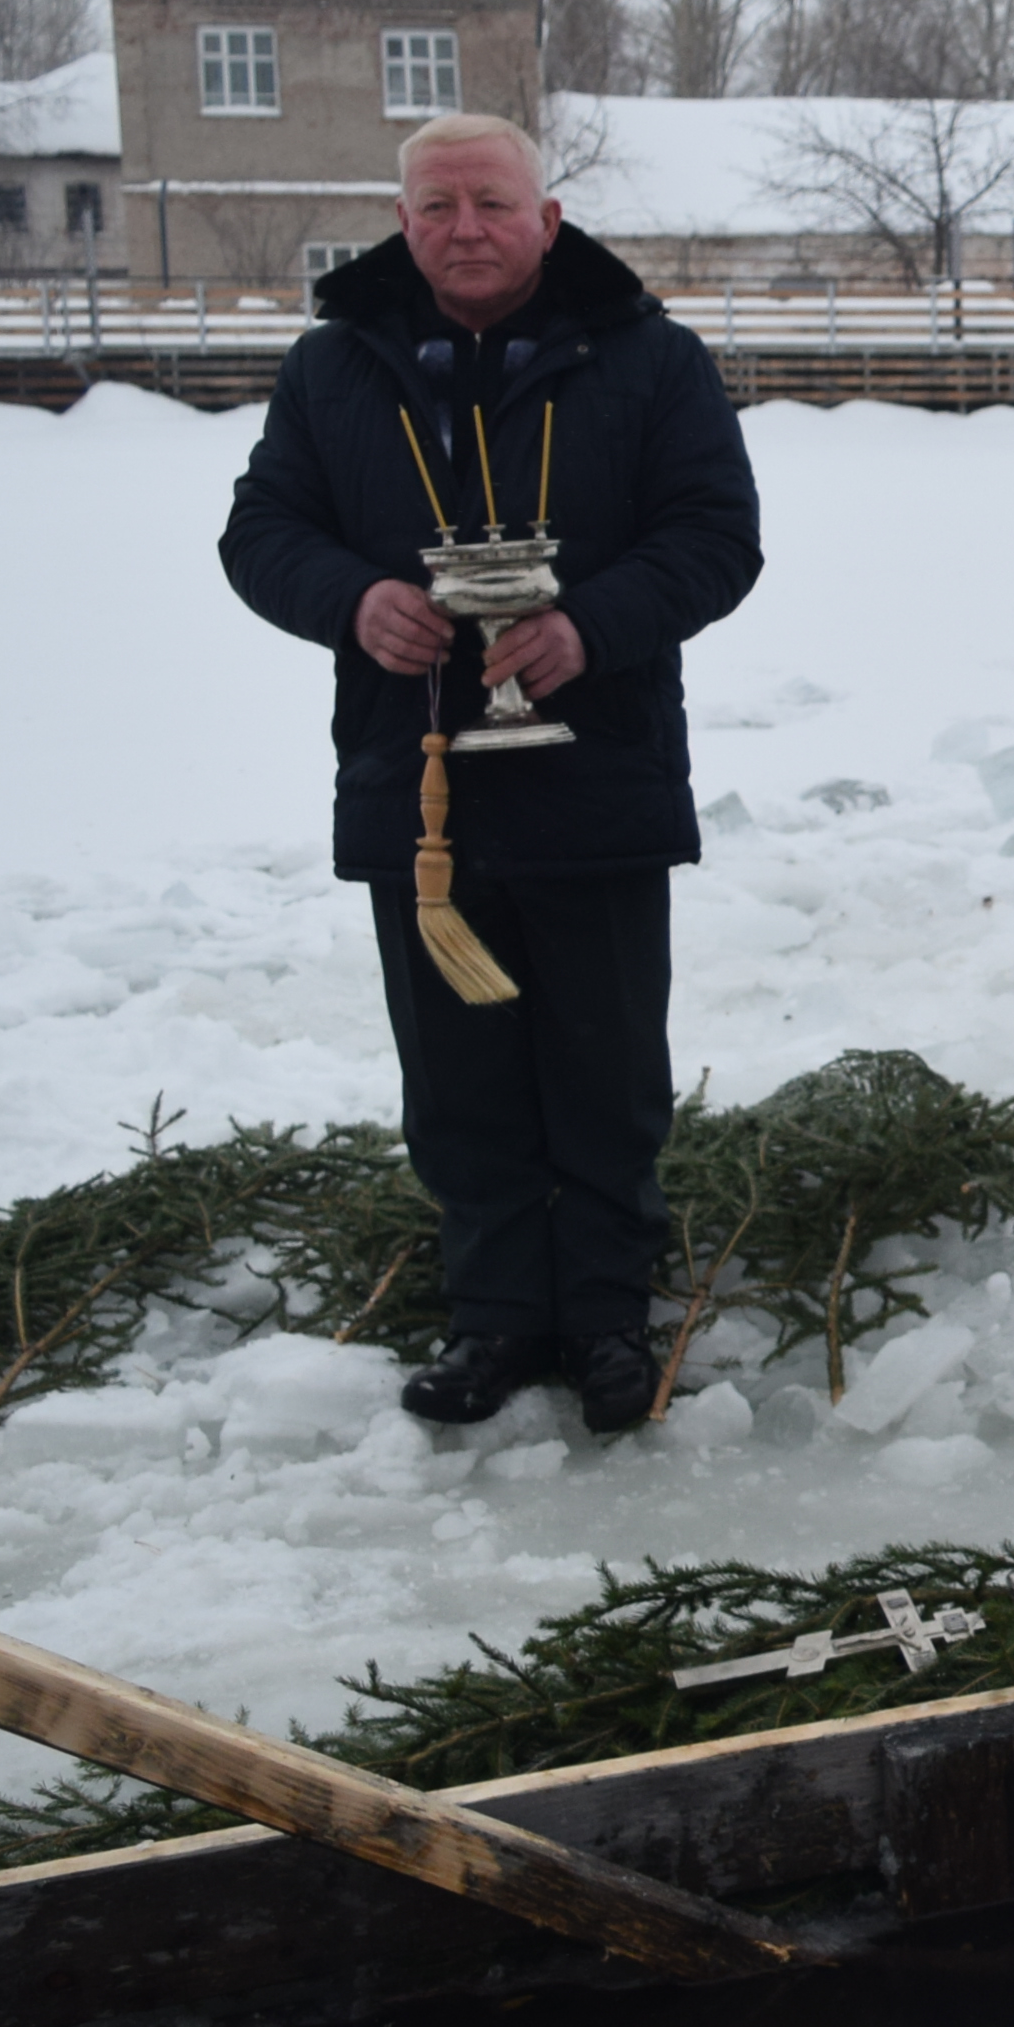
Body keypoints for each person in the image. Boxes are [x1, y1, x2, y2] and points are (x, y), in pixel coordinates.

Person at [220, 113, 763, 1435]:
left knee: (606, 1075)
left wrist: (593, 627)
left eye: (493, 203)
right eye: (437, 205)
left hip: (597, 776)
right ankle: (497, 1318)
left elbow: (717, 536)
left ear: (548, 219)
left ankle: (609, 1320)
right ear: (400, 222)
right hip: (420, 793)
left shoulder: (650, 359)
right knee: (459, 1081)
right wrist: (353, 601)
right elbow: (261, 532)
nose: (465, 227)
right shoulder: (334, 367)